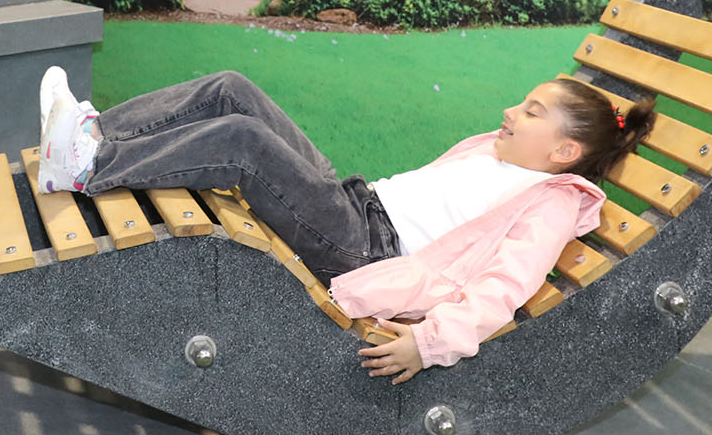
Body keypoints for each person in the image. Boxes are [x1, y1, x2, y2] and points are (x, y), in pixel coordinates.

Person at [36, 67, 655, 383]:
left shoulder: (549, 204)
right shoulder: (499, 152)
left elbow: (503, 289)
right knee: (232, 90)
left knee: (244, 143)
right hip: (355, 205)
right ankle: (93, 136)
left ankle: (88, 166)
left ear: (565, 152)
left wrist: (430, 344)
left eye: (532, 112)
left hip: (365, 249)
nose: (511, 111)